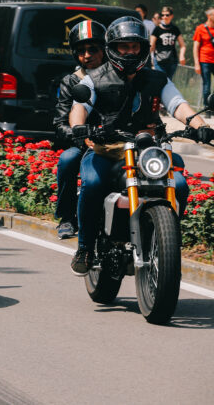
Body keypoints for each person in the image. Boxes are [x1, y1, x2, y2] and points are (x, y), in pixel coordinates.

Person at [68, 16, 214, 275]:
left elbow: (178, 105)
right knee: (92, 183)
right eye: (124, 46)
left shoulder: (158, 79)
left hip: (148, 150)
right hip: (107, 149)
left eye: (135, 46)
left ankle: (166, 241)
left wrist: (200, 126)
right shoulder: (94, 78)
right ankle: (85, 248)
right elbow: (79, 107)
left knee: (179, 185)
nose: (130, 52)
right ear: (113, 48)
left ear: (143, 48)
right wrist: (79, 127)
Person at [52, 20, 106, 239]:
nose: (87, 55)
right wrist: (81, 135)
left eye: (93, 49)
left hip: (116, 141)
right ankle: (67, 217)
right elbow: (60, 123)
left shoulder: (117, 76)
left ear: (104, 50)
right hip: (83, 143)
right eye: (81, 51)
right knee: (67, 160)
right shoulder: (71, 81)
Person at [150, 6, 185, 81]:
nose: (164, 17)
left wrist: (182, 56)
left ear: (171, 16)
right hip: (159, 60)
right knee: (162, 80)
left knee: (169, 81)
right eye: (162, 15)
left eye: (167, 15)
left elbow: (182, 45)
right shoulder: (157, 29)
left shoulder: (175, 29)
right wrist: (149, 59)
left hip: (172, 60)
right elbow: (151, 46)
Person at [193, 7, 214, 112]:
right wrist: (196, 63)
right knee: (207, 86)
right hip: (205, 61)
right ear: (209, 16)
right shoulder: (200, 28)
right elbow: (195, 47)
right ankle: (207, 108)